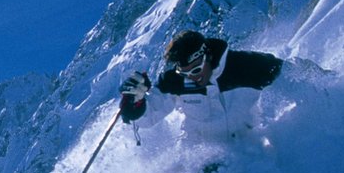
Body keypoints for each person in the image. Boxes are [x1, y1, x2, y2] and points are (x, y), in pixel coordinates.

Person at [119, 30, 283, 142]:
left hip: (249, 150)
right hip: (200, 159)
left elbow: (295, 76)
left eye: (196, 69)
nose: (193, 77)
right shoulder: (174, 82)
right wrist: (135, 103)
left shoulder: (248, 66)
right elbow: (148, 118)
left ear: (208, 56)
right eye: (185, 73)